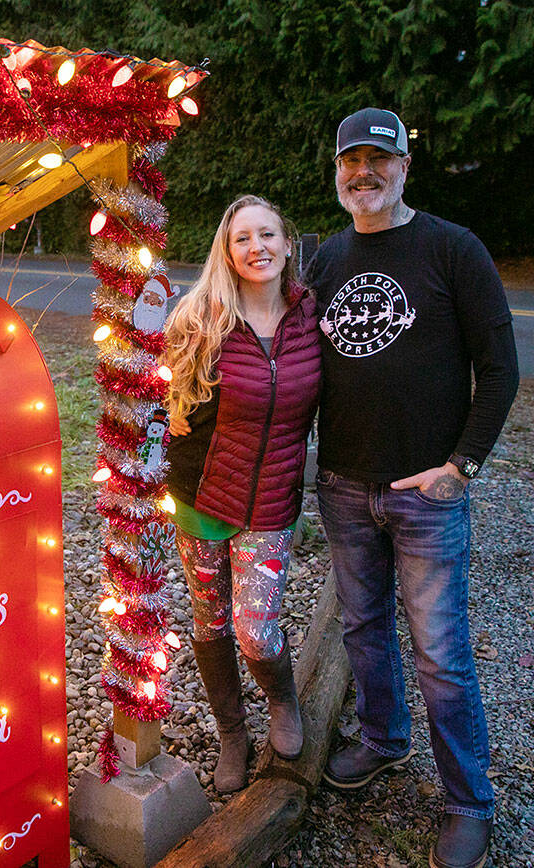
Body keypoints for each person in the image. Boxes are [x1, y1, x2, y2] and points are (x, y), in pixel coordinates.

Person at [305, 108, 519, 868]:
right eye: (349, 161)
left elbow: (499, 369)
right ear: (336, 172)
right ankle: (385, 740)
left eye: (378, 160)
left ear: (404, 168)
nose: (363, 172)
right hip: (342, 485)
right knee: (363, 628)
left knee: (440, 654)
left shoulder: (453, 249)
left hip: (425, 493)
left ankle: (468, 802)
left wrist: (460, 468)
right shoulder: (325, 260)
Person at [164, 194, 321, 792]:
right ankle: (232, 730)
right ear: (226, 253)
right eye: (242, 239)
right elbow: (158, 390)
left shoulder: (314, 320)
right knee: (209, 622)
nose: (257, 247)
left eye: (267, 235)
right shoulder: (201, 318)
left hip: (272, 500)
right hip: (202, 498)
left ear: (287, 244)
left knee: (257, 626)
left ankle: (282, 702)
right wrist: (167, 413)